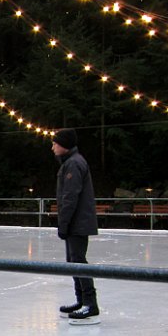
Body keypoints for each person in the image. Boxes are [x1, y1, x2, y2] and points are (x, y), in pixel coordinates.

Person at [51, 128, 100, 323]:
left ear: (64, 144)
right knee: (73, 261)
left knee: (78, 261)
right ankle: (82, 301)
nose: (52, 146)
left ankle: (90, 303)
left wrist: (63, 224)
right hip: (75, 222)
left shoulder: (74, 164)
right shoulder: (70, 162)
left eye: (55, 143)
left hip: (78, 223)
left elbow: (70, 197)